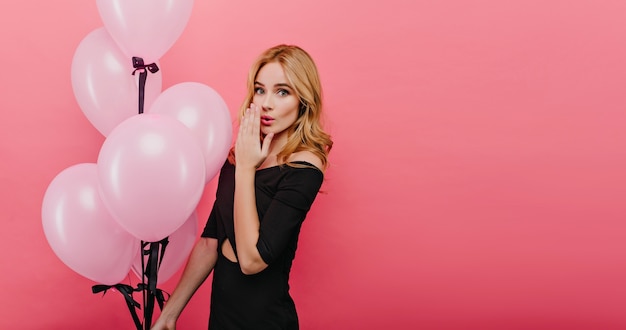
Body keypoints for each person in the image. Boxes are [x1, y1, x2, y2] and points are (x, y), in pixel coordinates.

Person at [152, 44, 333, 330]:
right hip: (222, 320)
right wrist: (169, 314)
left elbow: (252, 260)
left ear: (304, 100)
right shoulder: (240, 154)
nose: (266, 103)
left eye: (282, 92)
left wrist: (247, 169)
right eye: (260, 90)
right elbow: (211, 241)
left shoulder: (304, 168)